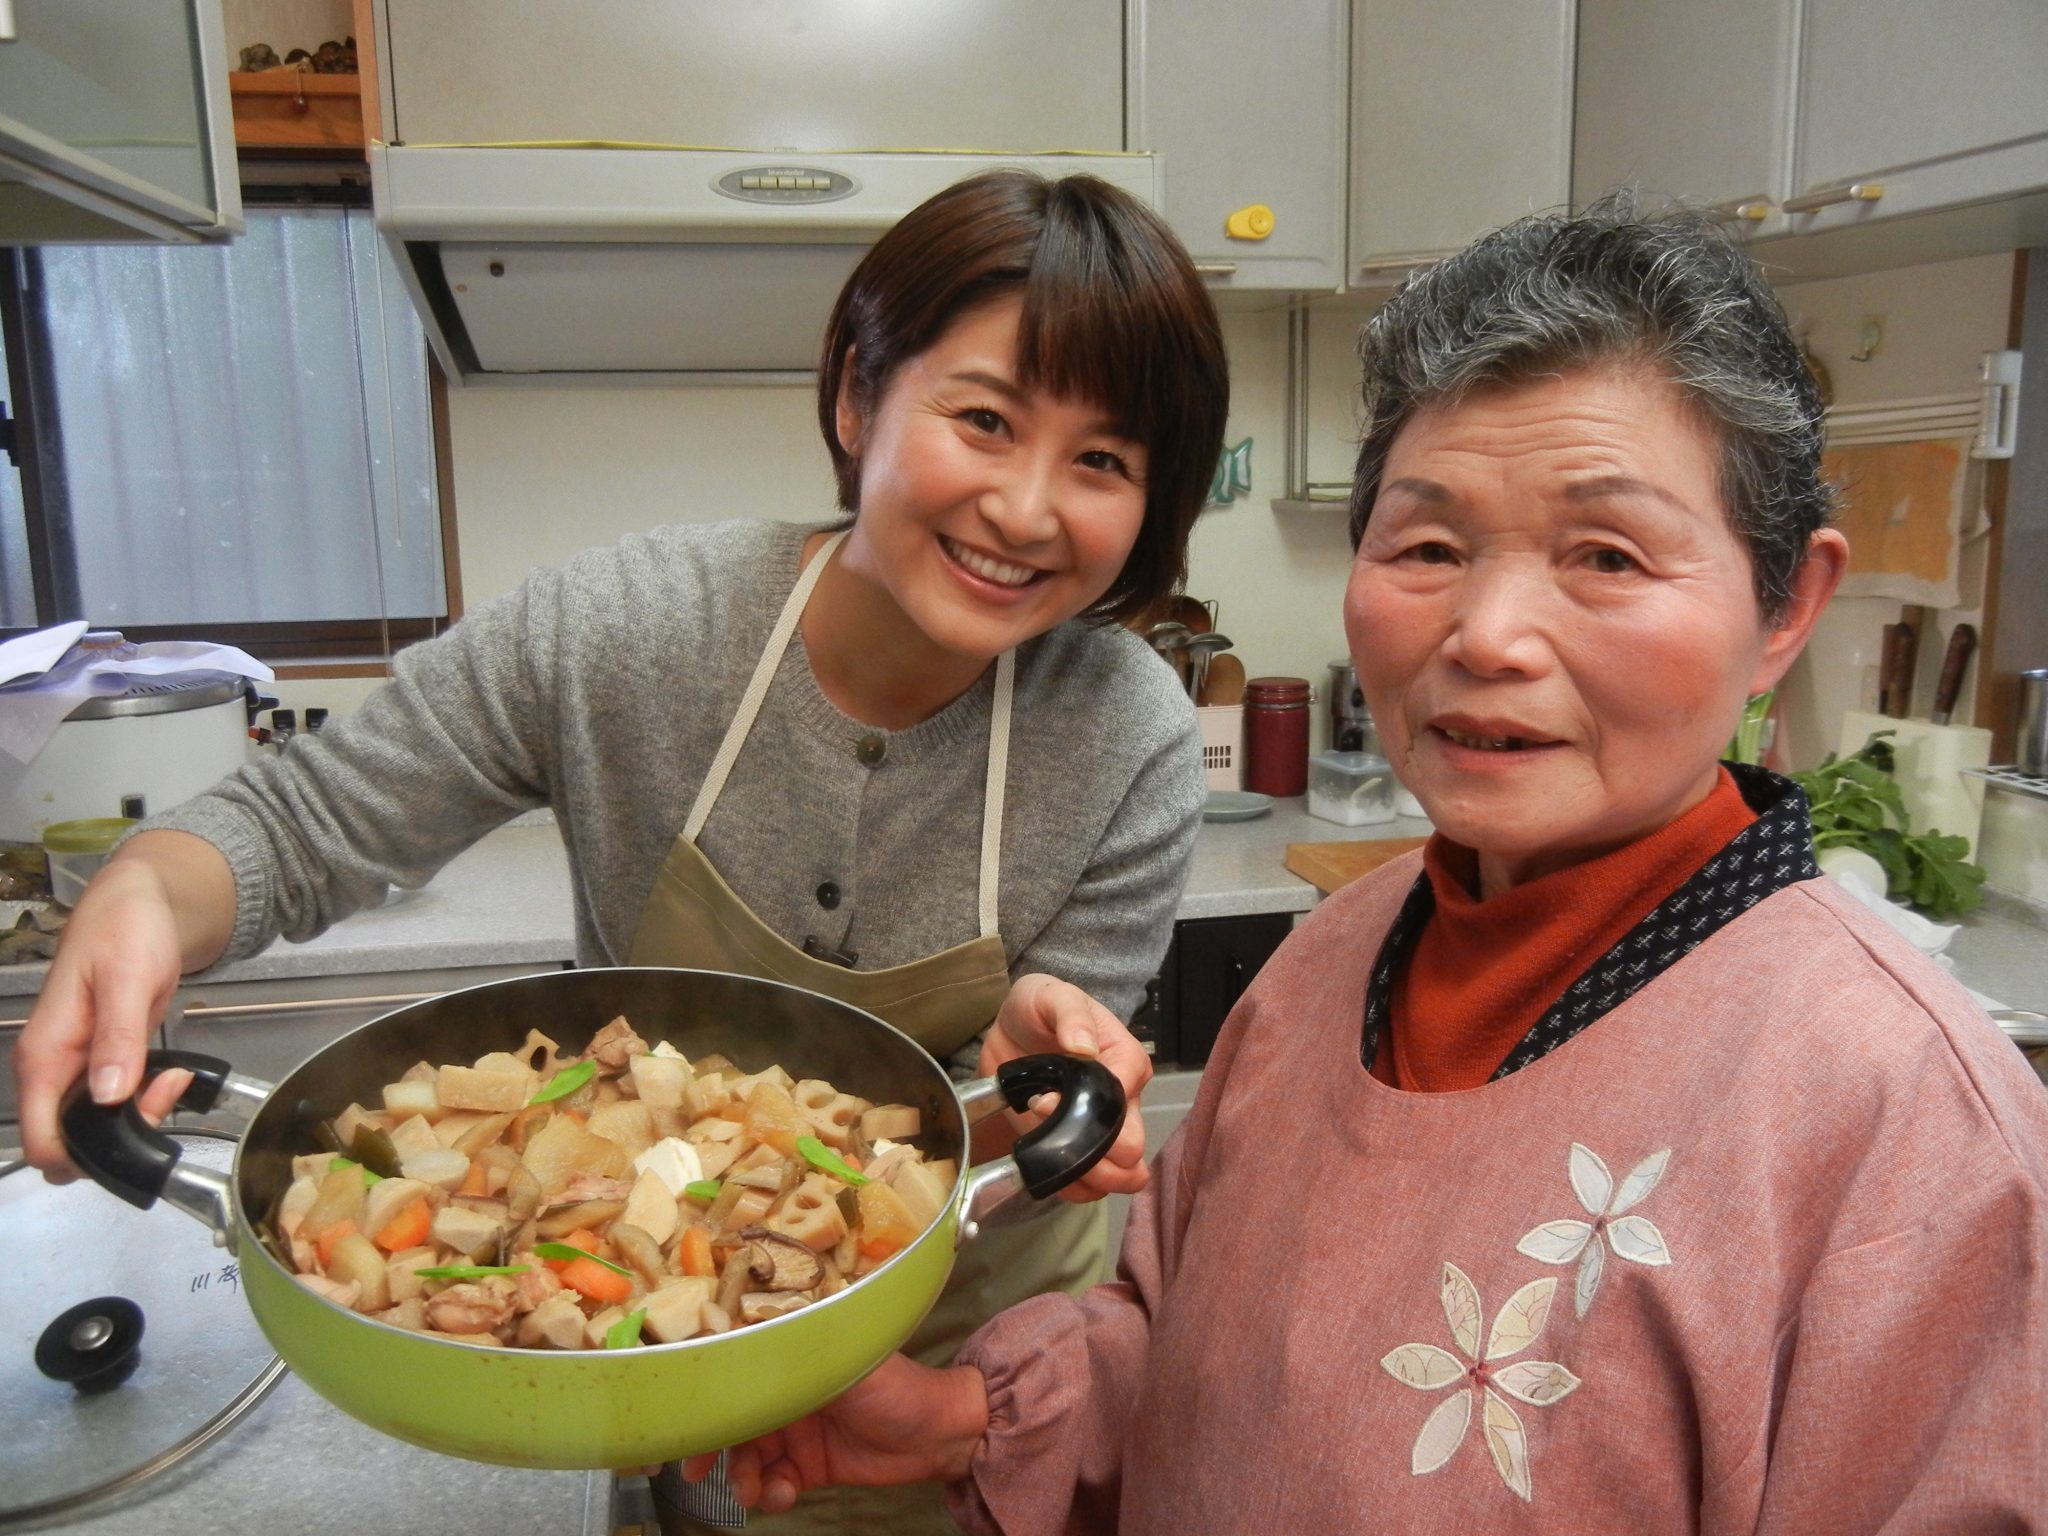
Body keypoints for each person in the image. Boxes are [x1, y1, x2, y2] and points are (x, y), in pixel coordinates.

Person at [689, 198, 2048, 1531]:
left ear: (1783, 608)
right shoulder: (1334, 957)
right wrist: (967, 1418)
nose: (1490, 633)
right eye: (1430, 545)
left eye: (1608, 554)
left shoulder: (1912, 1132)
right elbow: (1184, 1349)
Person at [12, 169, 1230, 1535]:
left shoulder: (1135, 739)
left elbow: (1041, 1128)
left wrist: (1041, 1066)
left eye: (1104, 461)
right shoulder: (626, 633)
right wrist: (137, 891)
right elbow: (297, 826)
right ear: (855, 395)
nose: (1024, 508)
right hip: (662, 1351)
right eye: (985, 418)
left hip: (984, 1389)